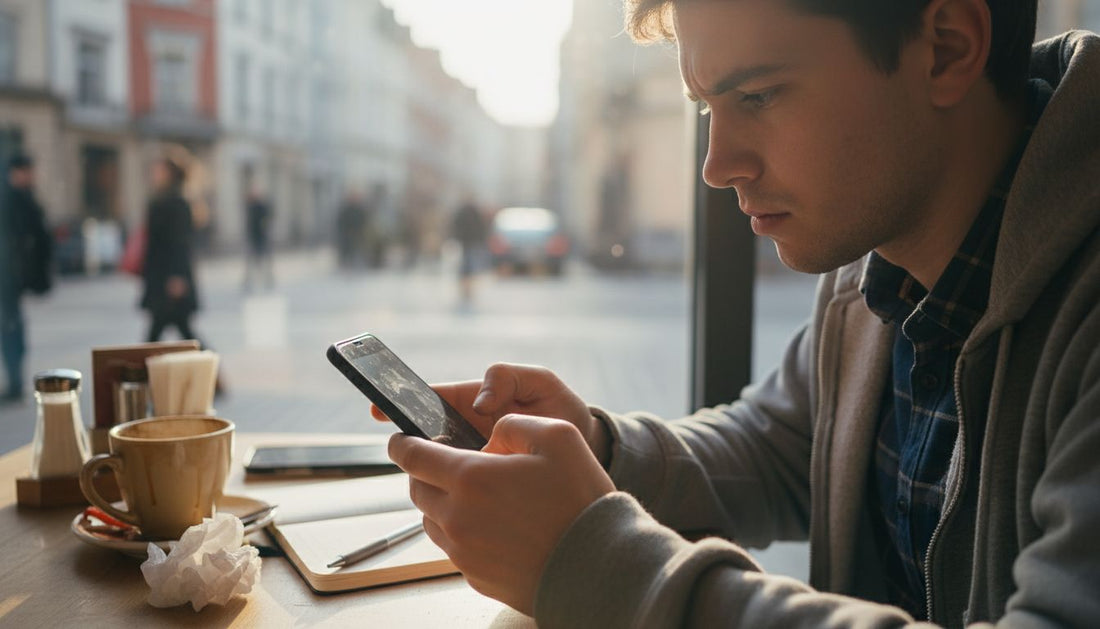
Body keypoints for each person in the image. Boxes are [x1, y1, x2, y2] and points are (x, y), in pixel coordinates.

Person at [378, 0, 1100, 626]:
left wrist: (595, 562)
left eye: (756, 95)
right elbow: (779, 446)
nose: (717, 165)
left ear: (947, 47)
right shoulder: (875, 262)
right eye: (706, 109)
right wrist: (599, 447)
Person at [0, 154, 52, 402]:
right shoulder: (10, 198)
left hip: (13, 277)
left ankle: (15, 380)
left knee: (13, 326)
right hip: (7, 276)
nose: (32, 176)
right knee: (10, 327)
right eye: (27, 171)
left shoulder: (24, 196)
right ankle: (14, 381)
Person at [141, 150, 203, 344]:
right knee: (181, 332)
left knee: (159, 336)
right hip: (161, 277)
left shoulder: (176, 202)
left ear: (169, 173)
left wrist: (177, 276)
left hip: (170, 280)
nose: (154, 175)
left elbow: (180, 243)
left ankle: (213, 370)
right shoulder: (162, 200)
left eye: (158, 171)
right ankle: (213, 370)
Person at [450, 201, 488, 305]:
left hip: (466, 243)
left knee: (466, 266)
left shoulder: (464, 213)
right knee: (468, 266)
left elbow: (456, 226)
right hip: (470, 243)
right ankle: (467, 288)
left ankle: (466, 288)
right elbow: (480, 228)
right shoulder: (474, 213)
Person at [243, 184, 274, 292]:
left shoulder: (262, 206)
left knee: (264, 258)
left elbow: (268, 217)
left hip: (261, 236)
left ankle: (267, 278)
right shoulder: (250, 206)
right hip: (253, 236)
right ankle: (249, 280)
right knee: (251, 259)